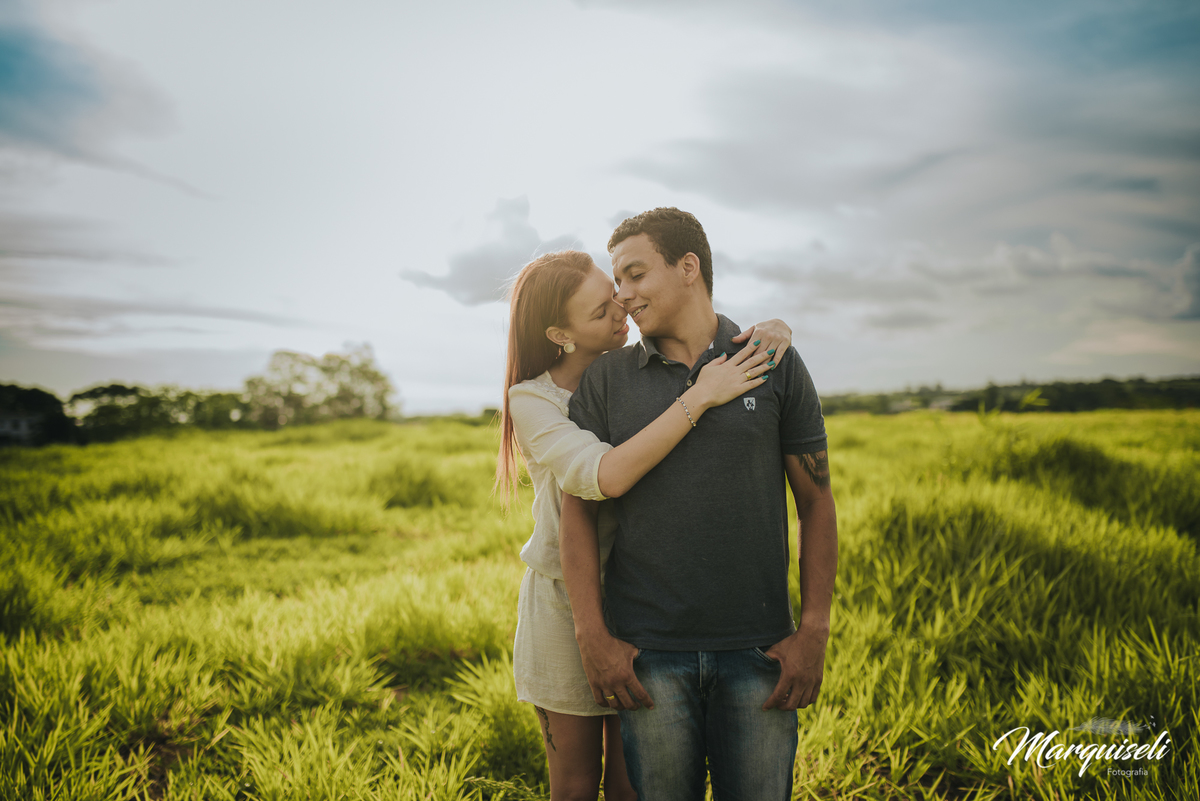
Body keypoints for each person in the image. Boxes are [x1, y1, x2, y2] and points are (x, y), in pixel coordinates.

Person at [560, 208, 838, 799]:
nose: (625, 296)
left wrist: (812, 628)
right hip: (647, 655)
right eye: (618, 282)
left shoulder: (771, 361)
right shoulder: (606, 380)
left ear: (689, 267)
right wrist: (594, 637)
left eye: (636, 274)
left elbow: (816, 502)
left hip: (759, 650)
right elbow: (576, 513)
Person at [496, 248, 794, 800]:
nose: (620, 309)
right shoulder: (533, 401)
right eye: (599, 311)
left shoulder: (634, 376)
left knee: (633, 783)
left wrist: (773, 330)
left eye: (612, 293)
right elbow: (603, 476)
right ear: (561, 334)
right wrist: (701, 395)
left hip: (641, 596)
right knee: (578, 784)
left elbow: (695, 322)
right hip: (566, 607)